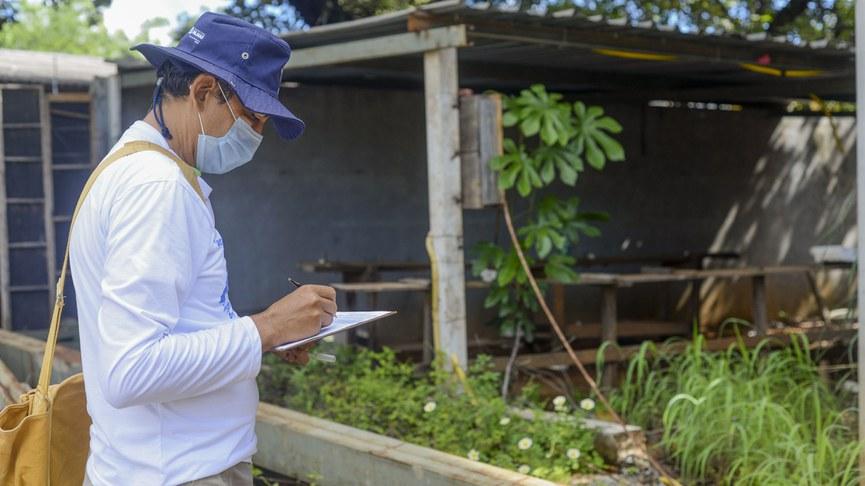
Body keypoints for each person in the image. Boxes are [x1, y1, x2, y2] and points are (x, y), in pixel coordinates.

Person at [70, 12, 336, 485]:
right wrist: (266, 328)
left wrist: (268, 336)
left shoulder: (133, 168)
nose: (257, 135)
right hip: (177, 473)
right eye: (251, 116)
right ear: (202, 92)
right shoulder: (156, 186)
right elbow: (132, 369)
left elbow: (171, 327)